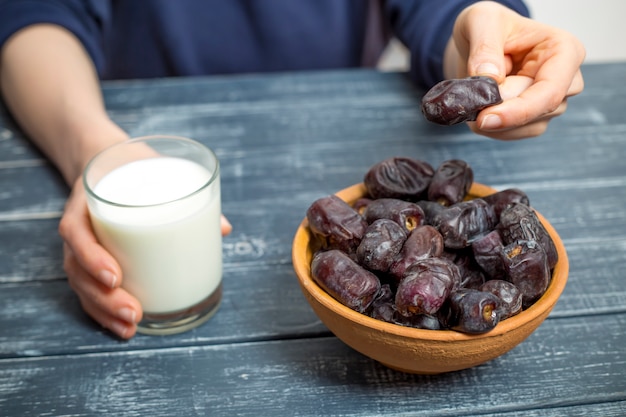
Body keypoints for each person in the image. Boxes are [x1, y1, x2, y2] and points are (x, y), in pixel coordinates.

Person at [0, 0, 585, 339]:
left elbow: (444, 16)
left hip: (334, 123)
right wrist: (92, 148)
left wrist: (484, 49)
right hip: (133, 128)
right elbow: (34, 14)